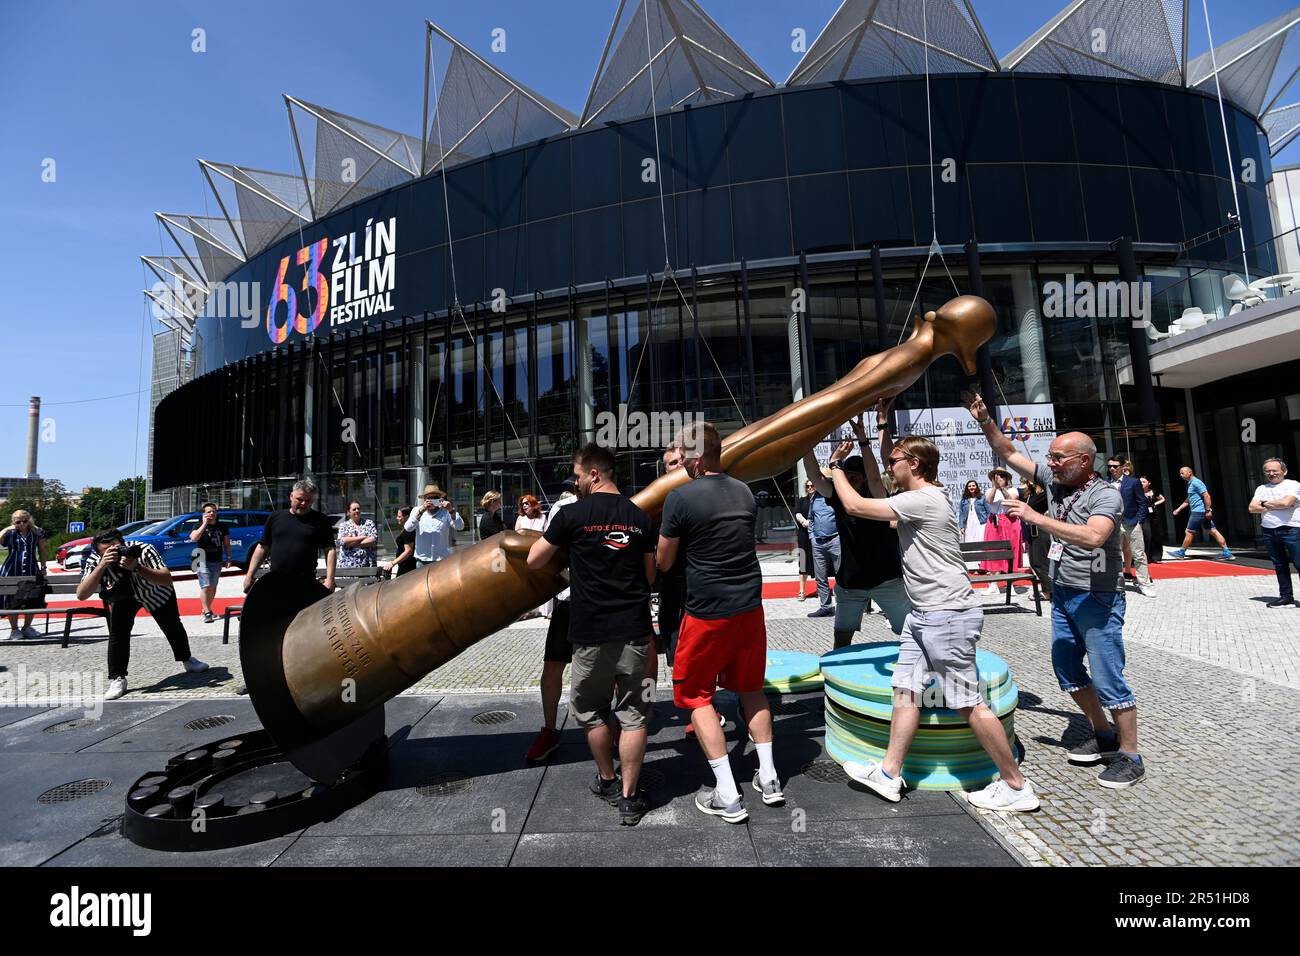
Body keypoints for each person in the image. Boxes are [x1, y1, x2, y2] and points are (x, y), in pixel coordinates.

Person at [829, 435, 1039, 812]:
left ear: (914, 464)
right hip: (923, 616)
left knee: (967, 703)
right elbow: (879, 488)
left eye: (894, 460)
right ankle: (890, 774)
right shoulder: (928, 495)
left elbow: (856, 504)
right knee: (906, 688)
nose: (889, 465)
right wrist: (875, 433)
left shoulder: (923, 500)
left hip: (947, 615)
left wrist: (835, 466)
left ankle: (1016, 786)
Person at [967, 392, 1145, 789]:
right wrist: (984, 420)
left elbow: (1095, 536)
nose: (1049, 463)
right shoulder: (1056, 481)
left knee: (1108, 676)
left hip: (1098, 596)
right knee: (1066, 667)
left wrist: (1035, 517)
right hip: (1064, 592)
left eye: (1058, 458)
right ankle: (1104, 734)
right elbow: (1009, 451)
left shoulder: (1106, 494)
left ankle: (1131, 756)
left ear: (1084, 461)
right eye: (1049, 457)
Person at [658, 421, 782, 823]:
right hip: (749, 605)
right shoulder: (745, 492)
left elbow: (664, 561)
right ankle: (770, 778)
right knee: (750, 688)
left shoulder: (680, 498)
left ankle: (727, 794)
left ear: (693, 458)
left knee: (696, 696)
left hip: (707, 611)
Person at [527, 443, 656, 826]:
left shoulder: (571, 515)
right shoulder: (640, 517)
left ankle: (608, 779)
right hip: (635, 631)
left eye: (579, 475)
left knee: (590, 712)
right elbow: (649, 577)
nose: (577, 482)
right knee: (633, 716)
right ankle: (630, 800)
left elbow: (535, 559)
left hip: (591, 633)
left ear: (595, 473)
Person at [801, 411, 910, 648]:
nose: (851, 482)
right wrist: (807, 443)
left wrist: (863, 442)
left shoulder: (879, 496)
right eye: (847, 477)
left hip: (887, 579)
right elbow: (813, 475)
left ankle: (920, 669)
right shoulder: (838, 498)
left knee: (908, 633)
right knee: (842, 635)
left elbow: (873, 476)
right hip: (850, 581)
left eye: (855, 478)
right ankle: (837, 675)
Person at [77, 528, 208, 700]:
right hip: (123, 596)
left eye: (116, 548)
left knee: (172, 626)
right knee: (118, 635)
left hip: (154, 591)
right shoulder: (96, 559)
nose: (114, 553)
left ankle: (187, 659)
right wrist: (102, 565)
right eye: (107, 551)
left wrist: (137, 567)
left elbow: (166, 578)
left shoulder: (143, 549)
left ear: (122, 543)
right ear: (99, 552)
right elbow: (81, 594)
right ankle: (118, 678)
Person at [525, 480, 580, 763]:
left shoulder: (609, 505)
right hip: (570, 600)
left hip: (590, 600)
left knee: (607, 665)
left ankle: (617, 724)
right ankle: (549, 729)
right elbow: (543, 550)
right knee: (554, 664)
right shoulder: (564, 506)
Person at [243, 479, 337, 593]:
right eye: (300, 499)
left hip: (305, 583)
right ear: (291, 496)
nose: (303, 503)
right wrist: (249, 574)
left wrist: (330, 579)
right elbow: (263, 547)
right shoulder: (275, 517)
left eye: (308, 500)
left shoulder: (320, 520)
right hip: (276, 581)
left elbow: (330, 550)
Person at [1249, 458, 1300, 608]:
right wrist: (1275, 505)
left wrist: (1264, 504)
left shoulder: (1293, 485)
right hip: (1269, 530)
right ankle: (1286, 596)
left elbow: (1286, 503)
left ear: (1284, 471)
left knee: (1298, 563)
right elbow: (1252, 508)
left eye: (1275, 471)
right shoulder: (1261, 488)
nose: (1271, 474)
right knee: (1279, 564)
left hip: (1291, 529)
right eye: (1268, 471)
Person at [1109, 457, 1154, 596]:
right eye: (1110, 466)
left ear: (1123, 467)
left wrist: (1139, 520)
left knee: (1139, 554)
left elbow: (1142, 502)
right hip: (1113, 523)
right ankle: (1115, 583)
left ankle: (1144, 584)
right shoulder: (1105, 483)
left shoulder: (1133, 482)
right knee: (1113, 554)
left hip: (1132, 522)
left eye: (1115, 466)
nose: (1112, 469)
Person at [1170, 467, 1234, 560]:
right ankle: (1227, 552)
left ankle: (1181, 552)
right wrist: (1179, 509)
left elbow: (1207, 495)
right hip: (1201, 511)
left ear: (1190, 472)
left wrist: (1208, 510)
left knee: (1189, 532)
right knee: (1212, 530)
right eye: (1180, 473)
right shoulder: (1190, 483)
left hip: (1198, 512)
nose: (1181, 475)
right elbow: (1189, 499)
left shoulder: (1196, 482)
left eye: (1182, 473)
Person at [1, 510, 47, 639]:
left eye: (25, 520)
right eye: (18, 521)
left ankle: (27, 627)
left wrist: (43, 566)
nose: (22, 523)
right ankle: (14, 630)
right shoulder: (10, 533)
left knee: (32, 597)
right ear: (13, 522)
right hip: (11, 568)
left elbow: (42, 549)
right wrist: (6, 529)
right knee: (11, 599)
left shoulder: (37, 532)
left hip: (32, 567)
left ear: (29, 519)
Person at [188, 502, 231, 623]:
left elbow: (227, 544)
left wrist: (228, 557)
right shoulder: (198, 525)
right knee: (205, 586)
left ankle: (207, 608)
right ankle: (207, 612)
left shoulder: (222, 526)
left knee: (213, 587)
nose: (211, 513)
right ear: (204, 514)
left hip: (217, 559)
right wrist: (205, 523)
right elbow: (194, 538)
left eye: (213, 511)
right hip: (201, 558)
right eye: (209, 512)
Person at [404, 484, 464, 569]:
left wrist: (451, 510)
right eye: (429, 498)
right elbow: (408, 528)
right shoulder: (417, 510)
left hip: (441, 560)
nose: (432, 501)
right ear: (424, 499)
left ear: (440, 499)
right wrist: (421, 511)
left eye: (435, 498)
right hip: (422, 560)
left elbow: (460, 526)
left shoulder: (446, 512)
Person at [806, 467, 840, 619]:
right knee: (820, 577)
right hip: (818, 542)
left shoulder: (835, 495)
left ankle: (843, 605)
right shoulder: (814, 497)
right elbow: (811, 518)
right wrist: (812, 536)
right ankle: (825, 607)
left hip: (835, 539)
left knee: (841, 575)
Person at [981, 468, 1023, 579]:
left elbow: (1010, 501)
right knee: (993, 549)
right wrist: (995, 487)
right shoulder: (989, 491)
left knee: (1010, 549)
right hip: (994, 521)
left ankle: (1010, 582)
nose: (999, 477)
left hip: (1010, 520)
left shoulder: (1013, 490)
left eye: (1002, 475)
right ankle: (993, 582)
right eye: (996, 476)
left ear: (1006, 478)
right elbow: (989, 501)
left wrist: (1003, 489)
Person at [336, 501, 378, 569]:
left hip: (367, 565)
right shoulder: (344, 525)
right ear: (348, 512)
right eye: (354, 509)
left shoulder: (369, 523)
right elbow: (342, 541)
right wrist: (362, 537)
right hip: (348, 566)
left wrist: (351, 544)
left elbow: (373, 539)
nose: (357, 510)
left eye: (358, 508)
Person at [794, 478, 816, 600]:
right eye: (807, 486)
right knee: (803, 562)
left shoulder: (820, 500)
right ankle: (802, 591)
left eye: (812, 485)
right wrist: (803, 521)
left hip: (817, 535)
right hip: (804, 535)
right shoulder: (802, 500)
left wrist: (812, 522)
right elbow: (797, 512)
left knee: (819, 563)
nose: (810, 488)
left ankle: (820, 589)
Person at [383, 506, 416, 577]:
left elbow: (408, 551)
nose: (397, 518)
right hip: (404, 565)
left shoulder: (409, 531)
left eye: (399, 516)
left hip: (408, 567)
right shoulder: (407, 529)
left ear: (407, 517)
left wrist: (392, 563)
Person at [1141, 476, 1167, 563]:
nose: (1142, 484)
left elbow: (1163, 499)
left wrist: (1155, 503)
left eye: (1144, 482)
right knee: (1147, 535)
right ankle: (1146, 556)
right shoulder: (1138, 492)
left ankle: (1156, 556)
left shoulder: (1154, 492)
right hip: (1144, 516)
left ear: (1149, 483)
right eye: (1140, 482)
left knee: (1156, 535)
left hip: (1154, 515)